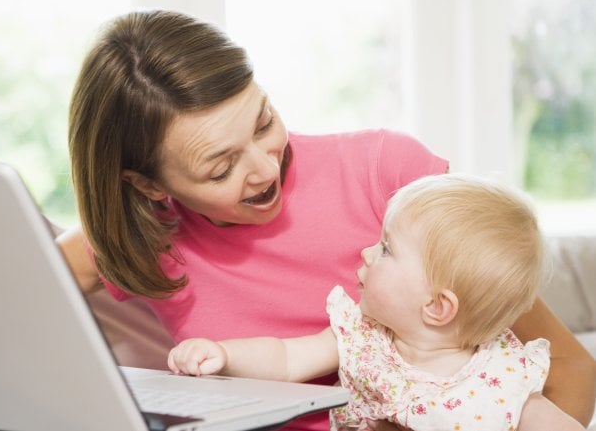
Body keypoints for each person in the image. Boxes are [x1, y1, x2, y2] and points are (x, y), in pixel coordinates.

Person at [57, 9, 596, 431]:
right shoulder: (135, 239)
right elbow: (7, 302)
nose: (267, 166)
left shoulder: (389, 174)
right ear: (149, 185)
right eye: (221, 168)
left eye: (264, 121)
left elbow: (571, 372)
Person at [167, 174, 584, 431]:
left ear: (437, 306)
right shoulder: (362, 338)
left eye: (386, 249)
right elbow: (285, 359)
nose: (366, 252)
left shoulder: (504, 380)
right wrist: (221, 355)